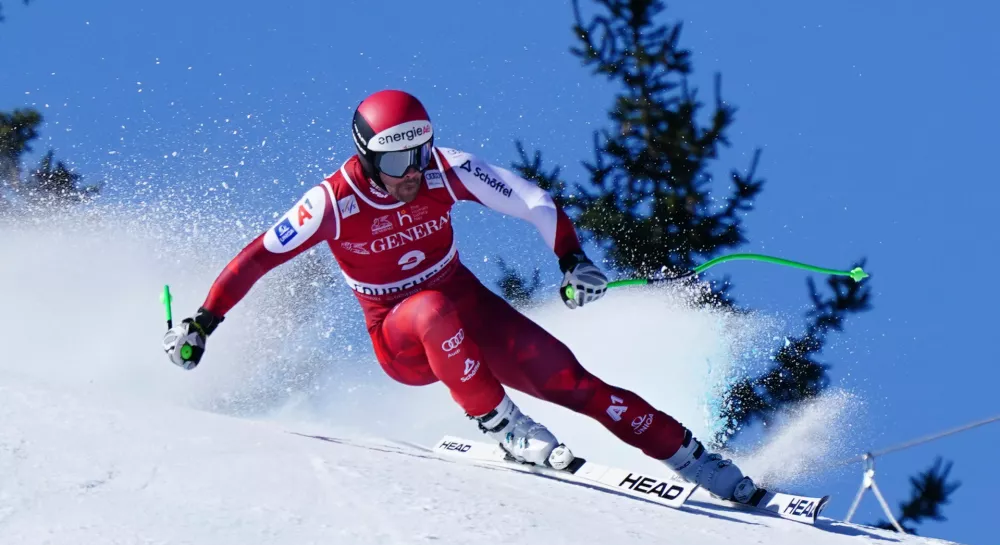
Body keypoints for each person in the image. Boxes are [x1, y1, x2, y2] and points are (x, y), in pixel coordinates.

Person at [162, 89, 761, 504]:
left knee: (577, 385)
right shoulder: (332, 202)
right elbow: (258, 256)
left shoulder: (446, 169)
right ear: (368, 159)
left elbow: (533, 202)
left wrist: (571, 258)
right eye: (397, 159)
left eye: (420, 151)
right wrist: (203, 323)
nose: (413, 170)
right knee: (430, 307)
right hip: (403, 340)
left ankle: (698, 461)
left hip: (468, 313)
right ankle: (501, 424)